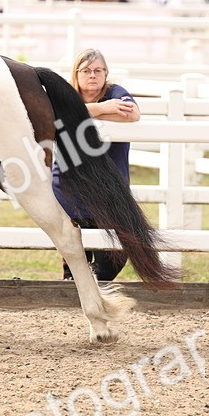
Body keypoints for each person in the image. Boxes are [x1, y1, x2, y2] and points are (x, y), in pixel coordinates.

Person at [52, 48, 140, 281]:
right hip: (70, 183)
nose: (93, 75)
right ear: (77, 73)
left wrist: (81, 114)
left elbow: (132, 114)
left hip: (110, 185)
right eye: (87, 70)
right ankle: (74, 286)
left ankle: (96, 282)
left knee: (117, 253)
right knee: (75, 245)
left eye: (98, 70)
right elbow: (54, 116)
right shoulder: (66, 94)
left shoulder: (115, 91)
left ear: (106, 73)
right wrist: (104, 108)